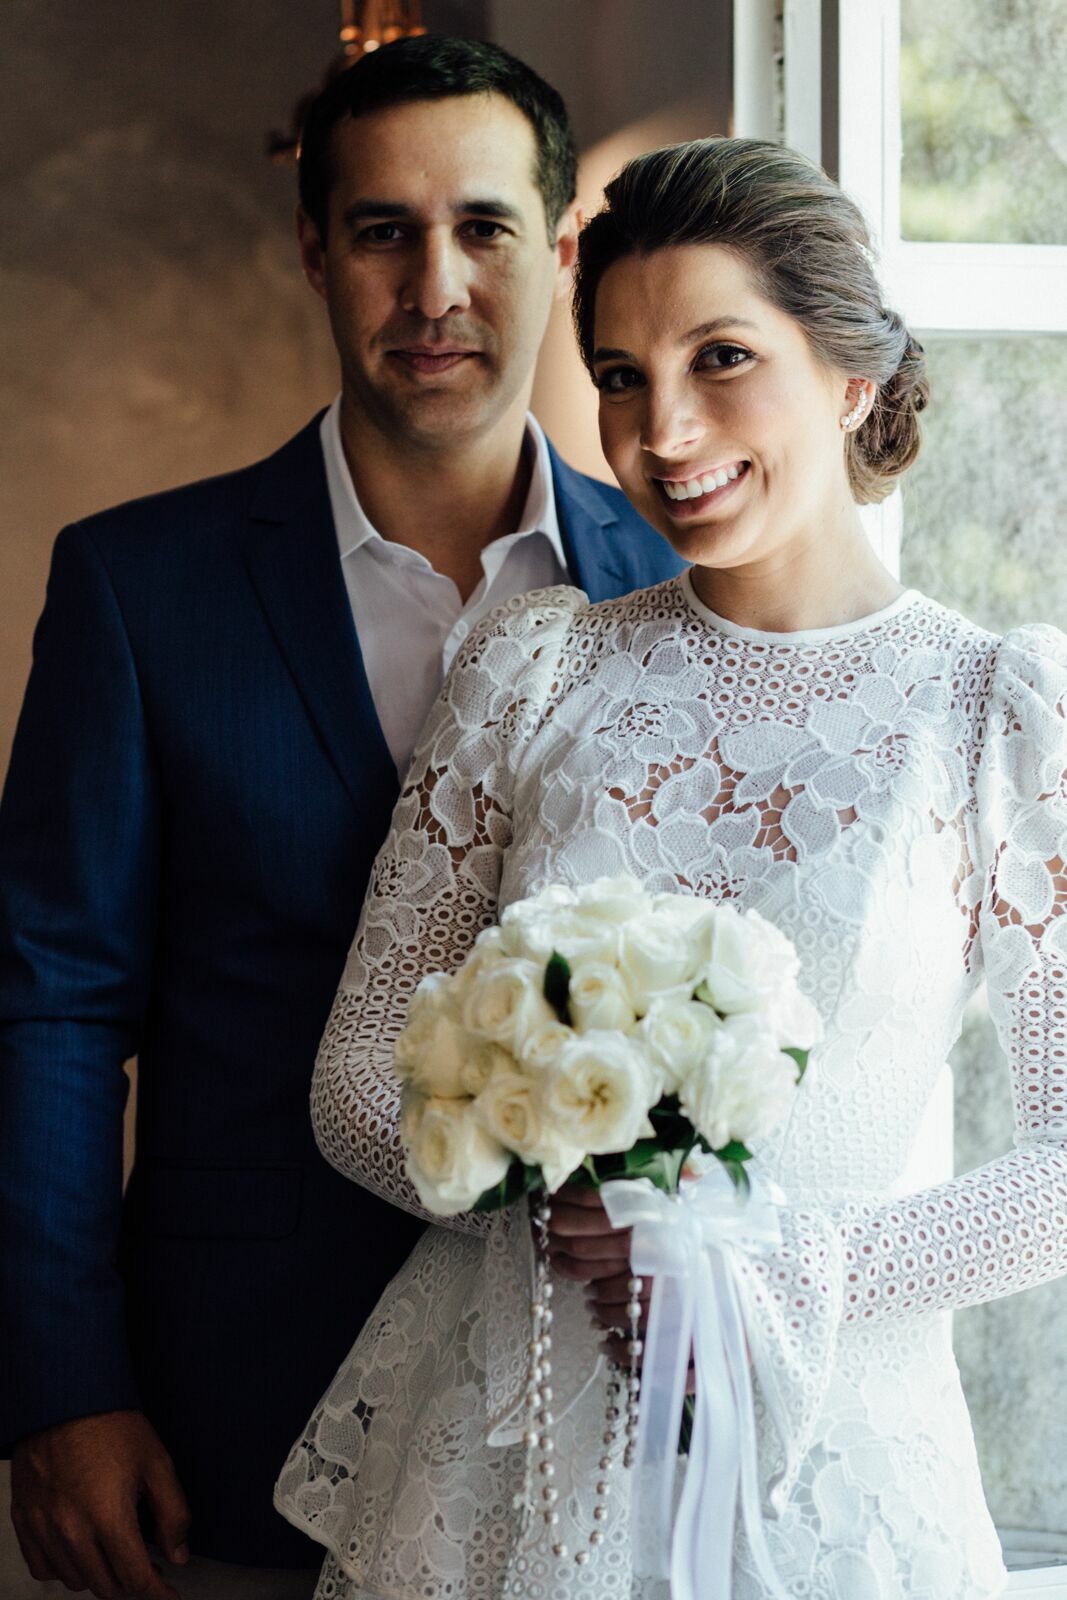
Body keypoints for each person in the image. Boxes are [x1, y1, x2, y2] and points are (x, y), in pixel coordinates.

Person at [274, 137, 1067, 1599]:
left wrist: (758, 1267)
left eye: (721, 358)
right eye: (625, 378)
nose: (668, 432)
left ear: (850, 378)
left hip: (831, 1464)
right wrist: (561, 1199)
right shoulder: (536, 667)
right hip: (503, 1456)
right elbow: (352, 1075)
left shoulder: (996, 716)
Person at [0, 35, 683, 1600]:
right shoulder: (135, 588)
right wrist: (58, 1385)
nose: (433, 286)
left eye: (484, 230)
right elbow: (46, 1008)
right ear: (315, 249)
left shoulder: (678, 584)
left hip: (588, 1423)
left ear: (562, 250)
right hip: (230, 1415)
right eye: (383, 231)